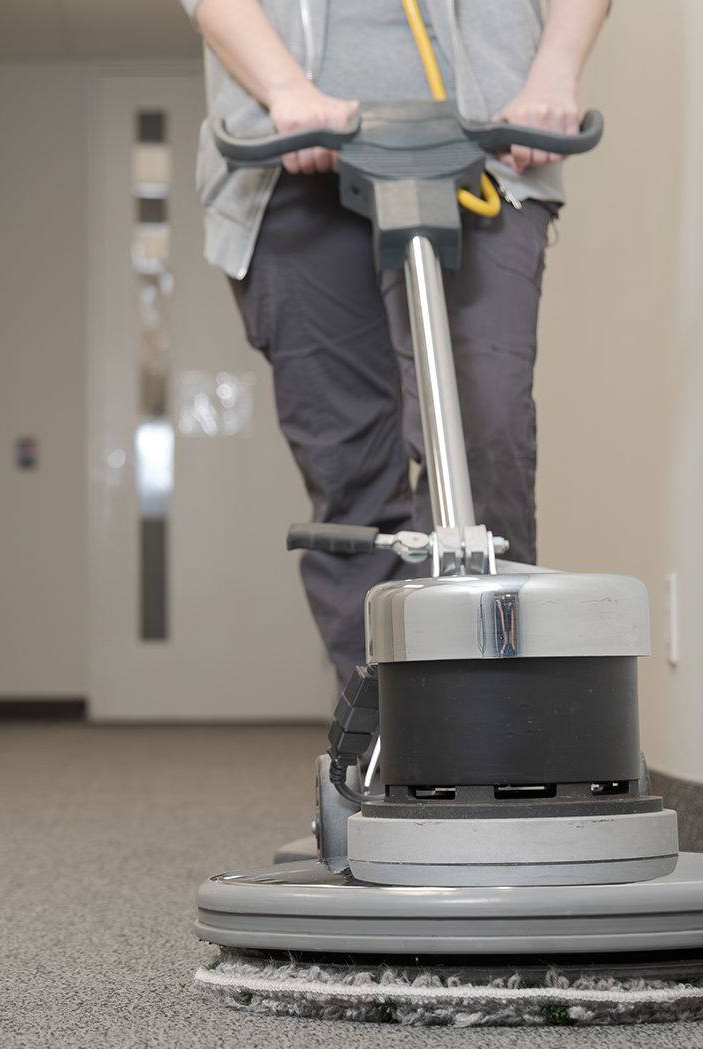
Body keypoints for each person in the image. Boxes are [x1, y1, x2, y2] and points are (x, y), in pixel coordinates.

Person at [179, 0, 608, 679]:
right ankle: (385, 733)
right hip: (292, 157)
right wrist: (286, 88)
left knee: (484, 431)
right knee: (350, 467)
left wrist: (554, 74)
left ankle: (500, 711)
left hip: (485, 146)